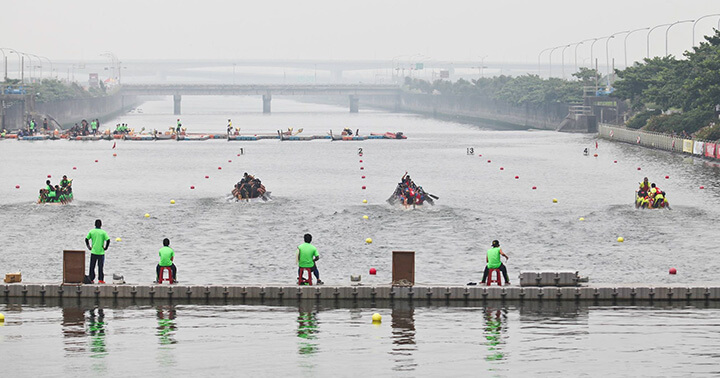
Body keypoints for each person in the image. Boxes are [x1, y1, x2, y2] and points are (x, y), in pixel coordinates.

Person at [85, 219, 110, 284]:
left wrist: (89, 247)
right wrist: (106, 247)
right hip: (101, 252)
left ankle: (91, 279)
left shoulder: (92, 231)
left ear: (95, 225)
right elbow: (108, 240)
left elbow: (86, 239)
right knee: (100, 267)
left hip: (93, 251)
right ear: (101, 225)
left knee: (92, 266)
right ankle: (100, 280)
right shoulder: (103, 232)